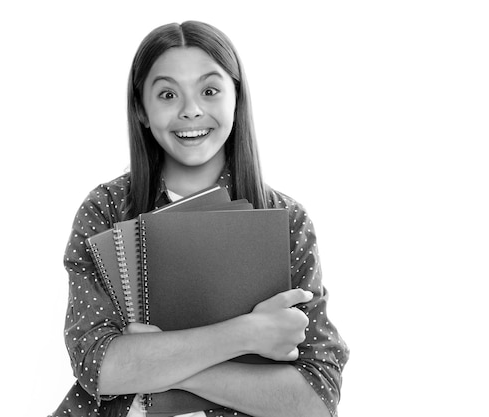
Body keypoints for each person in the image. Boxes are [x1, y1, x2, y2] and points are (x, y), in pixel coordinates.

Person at [50, 21, 349, 417]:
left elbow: (316, 399)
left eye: (209, 91)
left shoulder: (286, 219)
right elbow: (97, 366)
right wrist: (246, 334)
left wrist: (155, 362)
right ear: (141, 108)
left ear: (236, 98)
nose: (191, 110)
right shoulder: (105, 209)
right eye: (168, 94)